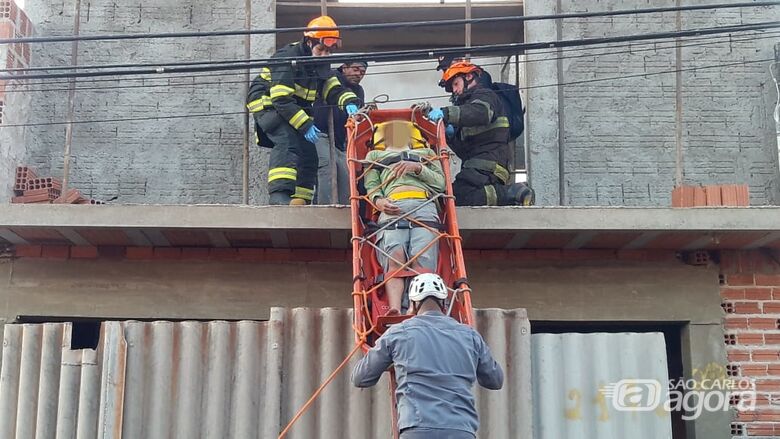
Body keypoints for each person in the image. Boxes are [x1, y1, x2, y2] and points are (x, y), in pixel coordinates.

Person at [351, 273, 504, 439]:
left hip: (417, 430)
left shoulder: (398, 333)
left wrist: (393, 358)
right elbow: (495, 380)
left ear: (413, 304)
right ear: (444, 304)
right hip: (461, 429)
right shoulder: (470, 336)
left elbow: (360, 377)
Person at [246, 16, 361, 205]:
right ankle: (279, 196)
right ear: (309, 41)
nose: (324, 55)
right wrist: (306, 124)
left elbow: (332, 88)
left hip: (294, 110)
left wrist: (349, 102)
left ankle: (301, 200)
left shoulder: (321, 63)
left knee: (309, 155)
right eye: (321, 49)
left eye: (329, 51)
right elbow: (281, 98)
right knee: (287, 143)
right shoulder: (287, 57)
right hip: (270, 105)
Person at [363, 120, 446, 315]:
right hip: (393, 208)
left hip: (424, 207)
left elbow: (440, 184)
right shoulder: (375, 156)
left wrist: (417, 168)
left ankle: (413, 308)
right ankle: (394, 308)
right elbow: (371, 185)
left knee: (421, 259)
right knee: (396, 256)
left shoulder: (426, 155)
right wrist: (379, 201)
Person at [427, 61, 534, 206]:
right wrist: (451, 136)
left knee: (456, 197)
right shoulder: (468, 106)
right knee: (451, 196)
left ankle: (513, 192)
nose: (454, 90)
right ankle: (508, 195)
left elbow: (481, 112)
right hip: (478, 166)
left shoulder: (485, 94)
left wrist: (445, 113)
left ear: (469, 77)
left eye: (456, 84)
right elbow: (465, 151)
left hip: (489, 166)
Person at [313, 60, 367, 204]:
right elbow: (334, 93)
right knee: (327, 168)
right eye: (355, 69)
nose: (359, 74)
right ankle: (324, 208)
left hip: (340, 140)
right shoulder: (331, 78)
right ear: (344, 68)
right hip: (320, 133)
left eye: (362, 72)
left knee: (346, 174)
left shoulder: (358, 90)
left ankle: (344, 209)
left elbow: (358, 115)